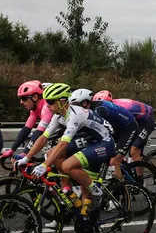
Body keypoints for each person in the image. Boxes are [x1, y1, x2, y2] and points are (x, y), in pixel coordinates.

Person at [16, 83, 114, 216]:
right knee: (50, 153)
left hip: (104, 142)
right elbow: (44, 137)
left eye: (50, 102)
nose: (47, 105)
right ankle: (68, 189)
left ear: (62, 101)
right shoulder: (58, 115)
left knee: (68, 166)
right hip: (88, 140)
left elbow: (63, 144)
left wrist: (44, 166)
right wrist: (26, 157)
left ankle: (97, 192)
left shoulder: (75, 114)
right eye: (46, 102)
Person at [69, 89, 139, 180]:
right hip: (115, 128)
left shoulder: (99, 110)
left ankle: (119, 188)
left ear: (85, 103)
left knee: (114, 161)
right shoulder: (88, 110)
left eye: (76, 105)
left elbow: (99, 130)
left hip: (129, 128)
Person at [92, 90, 154, 163]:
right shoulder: (109, 107)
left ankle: (139, 174)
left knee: (134, 151)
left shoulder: (117, 108)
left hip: (145, 121)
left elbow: (129, 127)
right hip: (132, 122)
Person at [1, 80, 53, 160]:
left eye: (23, 98)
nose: (21, 102)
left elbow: (39, 132)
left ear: (35, 97)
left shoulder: (46, 107)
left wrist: (25, 154)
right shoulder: (34, 109)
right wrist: (12, 149)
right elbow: (26, 130)